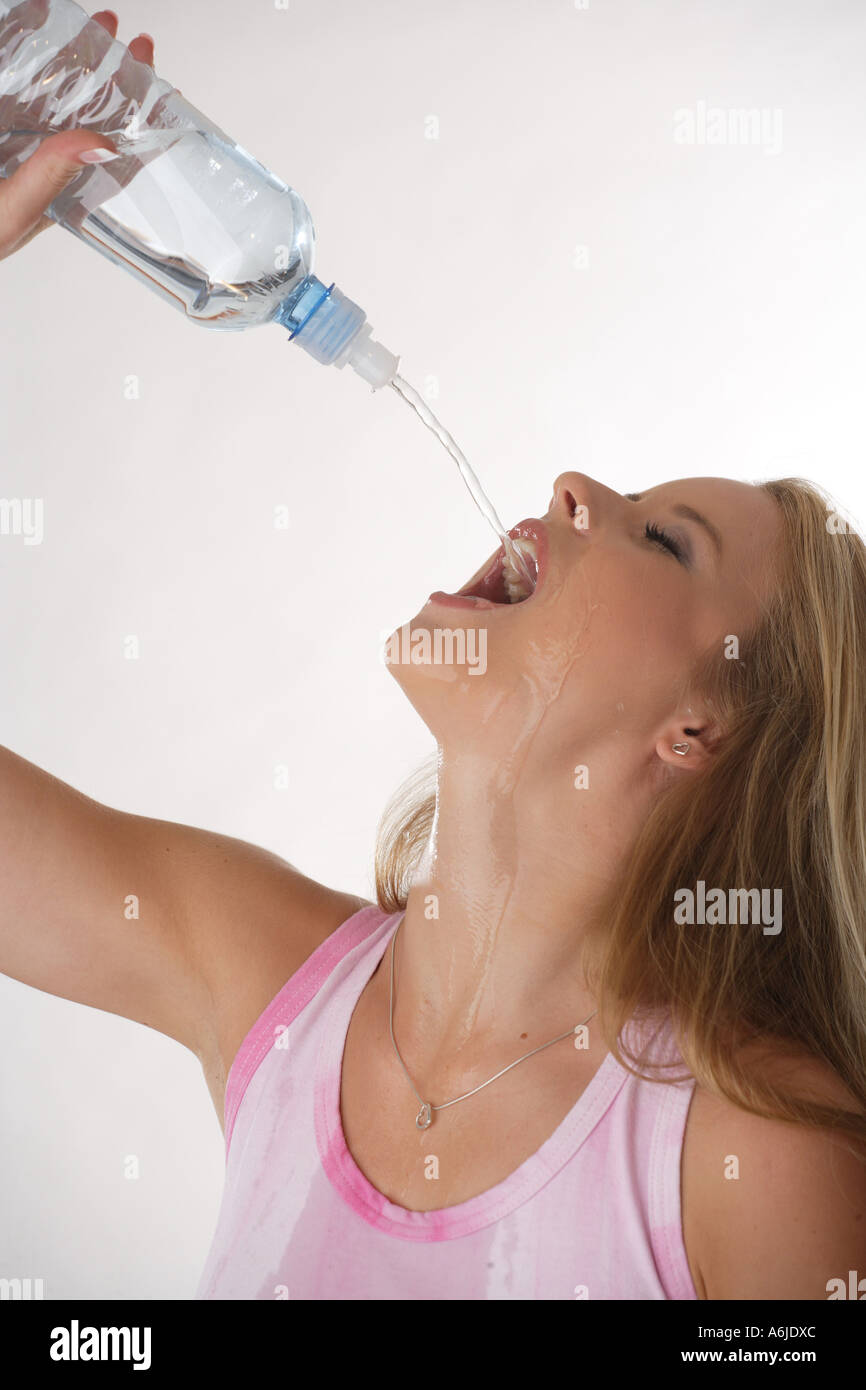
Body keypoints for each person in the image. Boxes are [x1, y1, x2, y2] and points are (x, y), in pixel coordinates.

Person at [2, 8, 865, 1303]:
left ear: (696, 730)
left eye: (663, 540)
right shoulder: (266, 980)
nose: (573, 482)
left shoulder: (758, 1157)